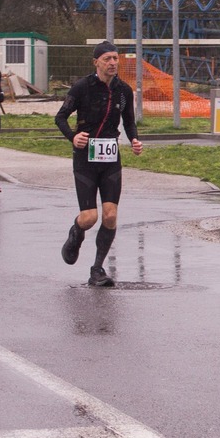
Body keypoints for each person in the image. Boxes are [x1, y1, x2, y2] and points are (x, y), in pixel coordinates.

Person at [55, 41, 144, 286]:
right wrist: (73, 137)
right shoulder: (82, 87)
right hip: (85, 158)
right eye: (107, 59)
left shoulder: (123, 91)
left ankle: (97, 269)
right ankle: (76, 233)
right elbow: (60, 117)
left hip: (110, 159)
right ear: (96, 62)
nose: (113, 63)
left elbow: (129, 122)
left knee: (110, 215)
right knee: (89, 218)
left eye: (115, 58)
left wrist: (134, 140)